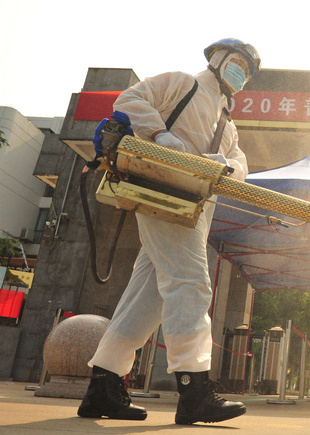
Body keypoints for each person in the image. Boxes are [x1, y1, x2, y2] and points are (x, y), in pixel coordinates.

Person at [77, 38, 259, 425]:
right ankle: (194, 389)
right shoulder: (182, 83)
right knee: (190, 283)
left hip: (193, 207)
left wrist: (228, 166)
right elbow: (128, 99)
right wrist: (160, 135)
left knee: (148, 298)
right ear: (217, 58)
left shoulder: (227, 123)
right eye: (237, 61)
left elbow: (241, 162)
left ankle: (103, 387)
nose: (240, 70)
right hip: (162, 190)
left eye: (247, 68)